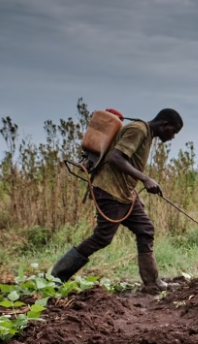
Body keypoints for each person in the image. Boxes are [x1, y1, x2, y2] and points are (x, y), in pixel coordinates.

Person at [51, 108, 184, 293]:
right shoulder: (138, 130)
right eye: (173, 132)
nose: (172, 137)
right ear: (164, 124)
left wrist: (136, 195)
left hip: (126, 194)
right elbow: (116, 158)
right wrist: (146, 179)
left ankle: (152, 283)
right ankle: (56, 277)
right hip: (109, 191)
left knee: (145, 230)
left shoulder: (146, 134)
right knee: (102, 237)